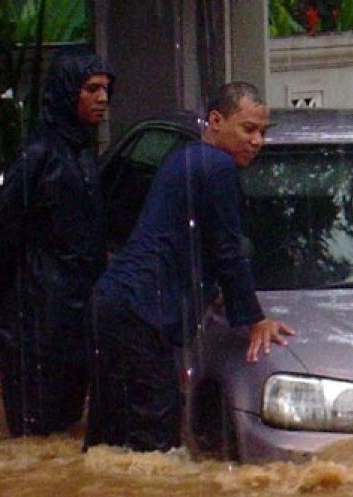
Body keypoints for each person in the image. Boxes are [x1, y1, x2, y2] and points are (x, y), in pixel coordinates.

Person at [85, 82, 294, 452]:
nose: (257, 141)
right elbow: (228, 249)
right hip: (142, 314)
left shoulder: (187, 158)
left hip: (115, 304)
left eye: (262, 132)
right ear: (215, 121)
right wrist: (255, 320)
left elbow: (190, 239)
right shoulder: (217, 166)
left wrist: (211, 292)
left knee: (110, 440)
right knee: (158, 442)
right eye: (248, 129)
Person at [0, 47, 114, 437]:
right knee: (35, 433)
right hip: (36, 320)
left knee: (66, 428)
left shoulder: (81, 153)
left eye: (105, 89)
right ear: (67, 92)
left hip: (75, 314)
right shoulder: (38, 156)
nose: (103, 99)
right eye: (92, 89)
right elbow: (2, 229)